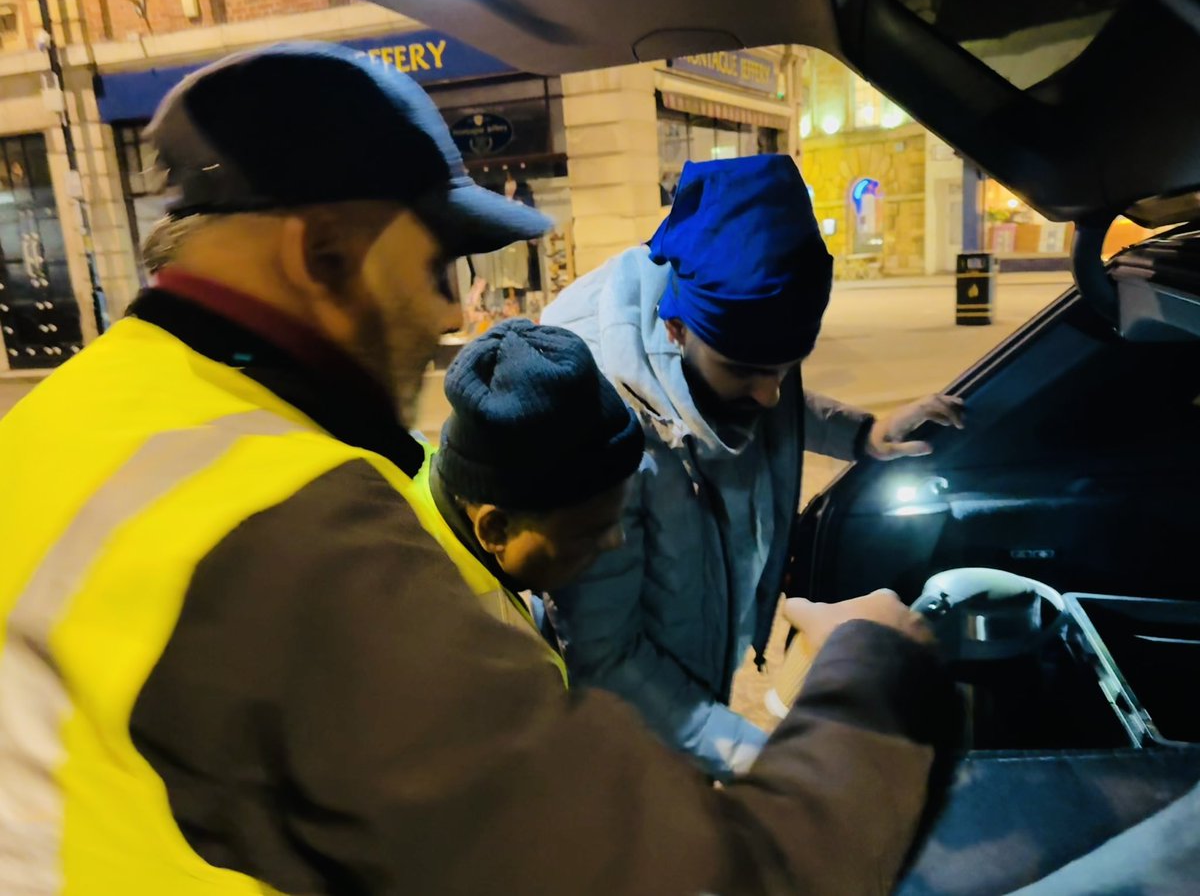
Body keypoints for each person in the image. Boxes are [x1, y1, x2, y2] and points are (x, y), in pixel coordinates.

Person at [0, 44, 953, 894]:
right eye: (437, 268)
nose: (455, 317)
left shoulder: (80, 415)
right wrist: (875, 676)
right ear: (322, 253)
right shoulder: (289, 528)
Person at [542, 154, 965, 778]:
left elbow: (774, 401)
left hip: (697, 685)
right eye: (745, 371)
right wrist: (760, 760)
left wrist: (862, 433)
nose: (770, 396)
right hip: (628, 740)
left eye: (787, 367)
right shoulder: (591, 416)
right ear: (677, 329)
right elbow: (604, 662)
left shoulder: (729, 329)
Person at [429, 318, 644, 677]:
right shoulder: (472, 654)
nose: (615, 541)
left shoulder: (432, 483)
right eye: (587, 533)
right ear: (496, 529)